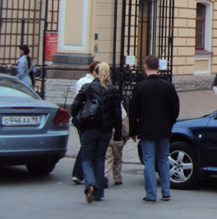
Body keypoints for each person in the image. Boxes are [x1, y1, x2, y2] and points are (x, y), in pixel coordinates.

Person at [129, 55, 180, 204]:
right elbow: (175, 108)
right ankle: (166, 192)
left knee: (149, 161)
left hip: (146, 129)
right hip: (164, 128)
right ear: (159, 67)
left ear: (145, 67)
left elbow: (133, 111)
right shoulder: (168, 86)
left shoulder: (140, 87)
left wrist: (133, 131)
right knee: (164, 159)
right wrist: (170, 122)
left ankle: (151, 194)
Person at [71, 62, 123, 203]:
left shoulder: (88, 87)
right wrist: (117, 135)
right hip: (105, 131)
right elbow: (117, 114)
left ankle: (90, 184)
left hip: (88, 129)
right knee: (100, 159)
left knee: (87, 159)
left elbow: (74, 106)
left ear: (95, 73)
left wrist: (78, 118)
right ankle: (99, 192)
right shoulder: (113, 90)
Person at [71, 61, 100, 185]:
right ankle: (79, 174)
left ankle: (81, 173)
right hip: (87, 118)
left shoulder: (83, 82)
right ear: (94, 71)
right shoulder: (86, 83)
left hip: (84, 117)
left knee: (86, 146)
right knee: (86, 148)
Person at [105, 103, 130, 187]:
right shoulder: (123, 115)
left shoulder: (107, 113)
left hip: (108, 137)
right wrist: (125, 138)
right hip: (118, 139)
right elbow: (126, 130)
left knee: (108, 157)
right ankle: (117, 177)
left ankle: (105, 175)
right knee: (118, 159)